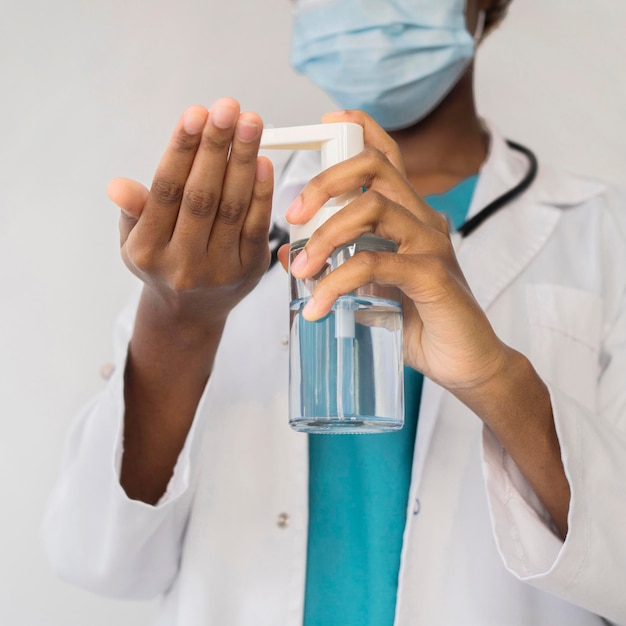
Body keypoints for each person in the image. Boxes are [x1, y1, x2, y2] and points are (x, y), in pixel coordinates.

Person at [42, 0, 626, 624]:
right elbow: (96, 558)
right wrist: (178, 321)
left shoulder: (600, 236)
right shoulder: (212, 240)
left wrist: (496, 381)